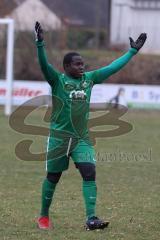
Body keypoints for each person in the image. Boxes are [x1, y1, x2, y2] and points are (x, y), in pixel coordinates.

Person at [35, 21, 147, 231]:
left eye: (82, 64)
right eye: (77, 64)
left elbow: (112, 68)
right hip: (59, 138)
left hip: (81, 139)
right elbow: (44, 66)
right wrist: (40, 44)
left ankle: (91, 218)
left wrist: (132, 51)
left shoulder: (90, 79)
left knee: (89, 172)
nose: (82, 67)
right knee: (53, 177)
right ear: (66, 67)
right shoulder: (57, 81)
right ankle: (43, 216)